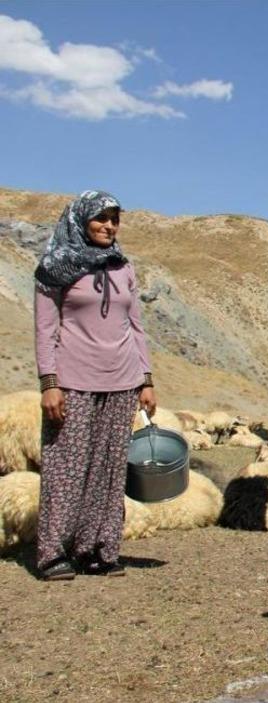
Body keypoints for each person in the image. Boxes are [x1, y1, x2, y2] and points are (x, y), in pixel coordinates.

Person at [33, 190, 156, 581]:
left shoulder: (124, 267)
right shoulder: (55, 267)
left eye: (114, 219)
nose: (108, 226)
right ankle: (53, 552)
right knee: (66, 467)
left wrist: (146, 380)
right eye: (100, 218)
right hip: (73, 380)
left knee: (109, 469)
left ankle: (99, 550)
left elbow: (135, 326)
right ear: (81, 220)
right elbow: (44, 329)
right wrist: (49, 382)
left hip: (122, 380)